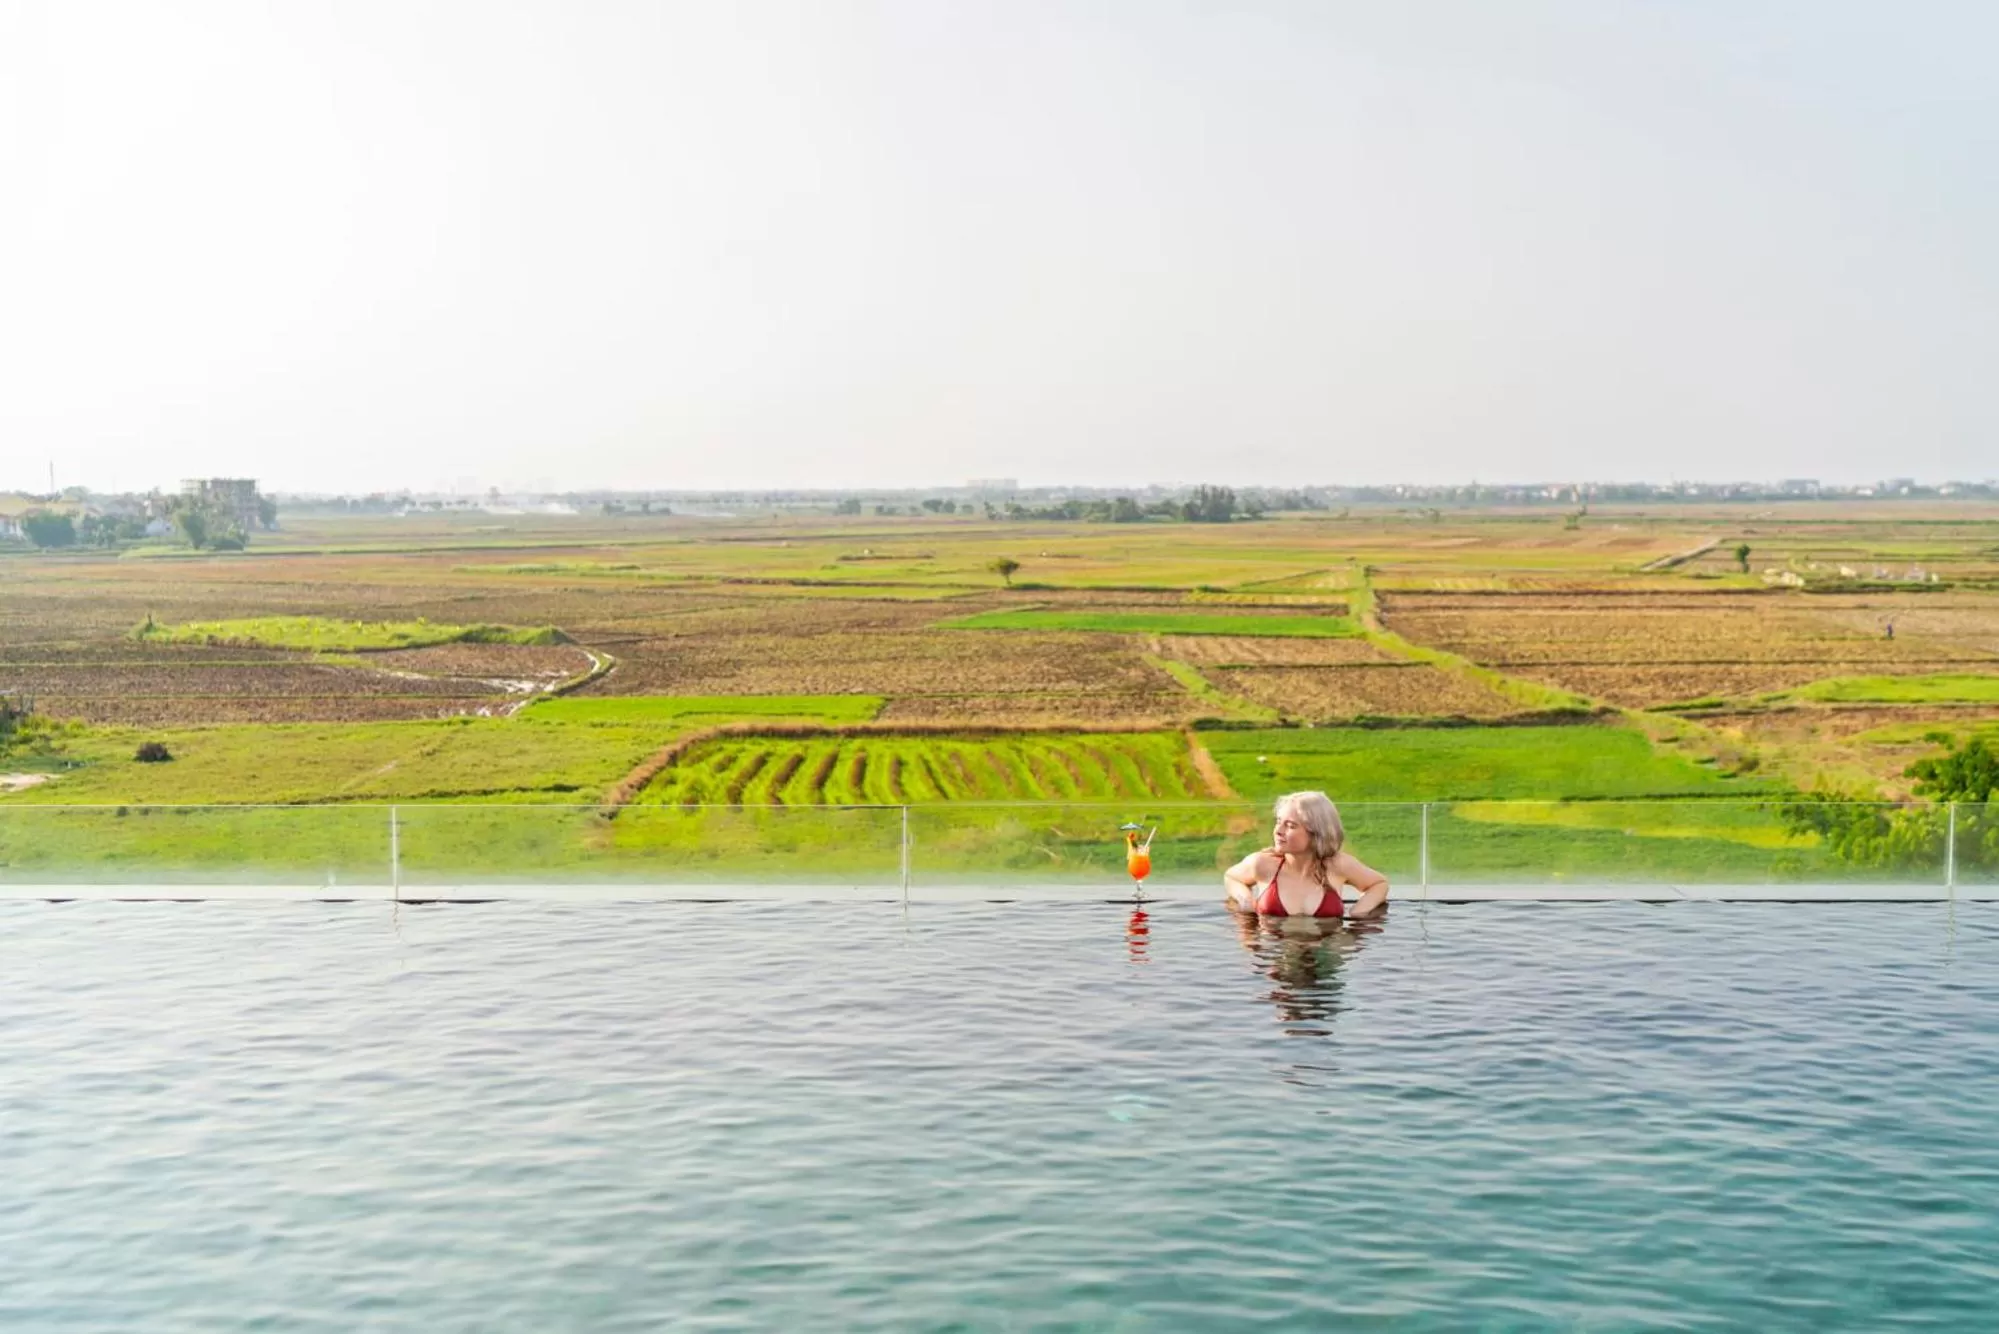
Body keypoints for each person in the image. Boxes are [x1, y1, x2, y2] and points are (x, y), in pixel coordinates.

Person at [1222, 791, 1390, 919]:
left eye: (1290, 825)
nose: (1278, 831)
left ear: (1317, 832)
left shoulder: (1338, 865)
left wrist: (1358, 913)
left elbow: (1379, 884)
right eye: (1278, 822)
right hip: (1273, 952)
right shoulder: (1262, 863)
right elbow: (1232, 877)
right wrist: (1246, 902)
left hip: (1326, 953)